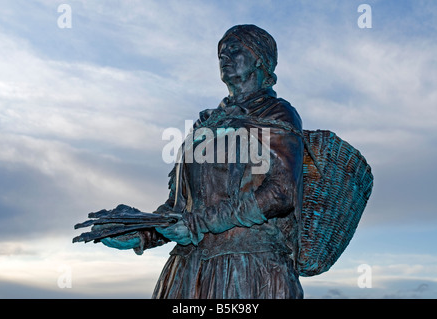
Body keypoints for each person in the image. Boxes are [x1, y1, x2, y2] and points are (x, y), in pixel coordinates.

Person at [102, 24, 305, 299]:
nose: (225, 57)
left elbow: (282, 192)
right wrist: (140, 231)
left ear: (260, 58)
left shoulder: (276, 114)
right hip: (188, 272)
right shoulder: (205, 124)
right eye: (221, 52)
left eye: (235, 49)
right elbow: (181, 208)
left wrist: (200, 224)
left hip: (249, 272)